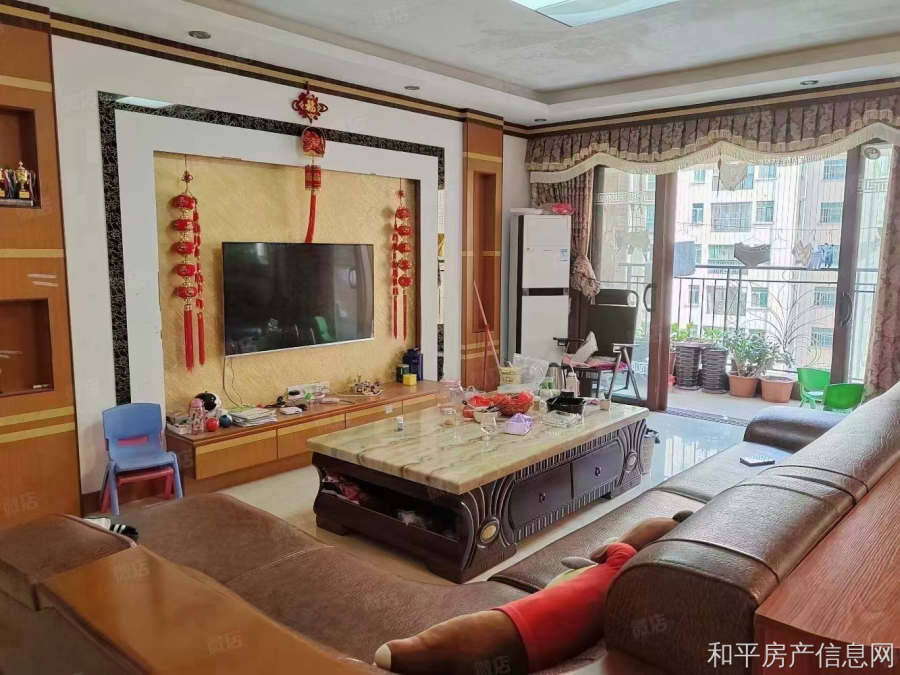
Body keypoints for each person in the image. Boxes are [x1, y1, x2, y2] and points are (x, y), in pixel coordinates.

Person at [375, 512, 693, 675]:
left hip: (523, 622)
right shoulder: (638, 587)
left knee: (475, 636)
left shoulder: (623, 558)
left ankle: (417, 651)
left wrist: (620, 542)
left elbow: (604, 550)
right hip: (536, 650)